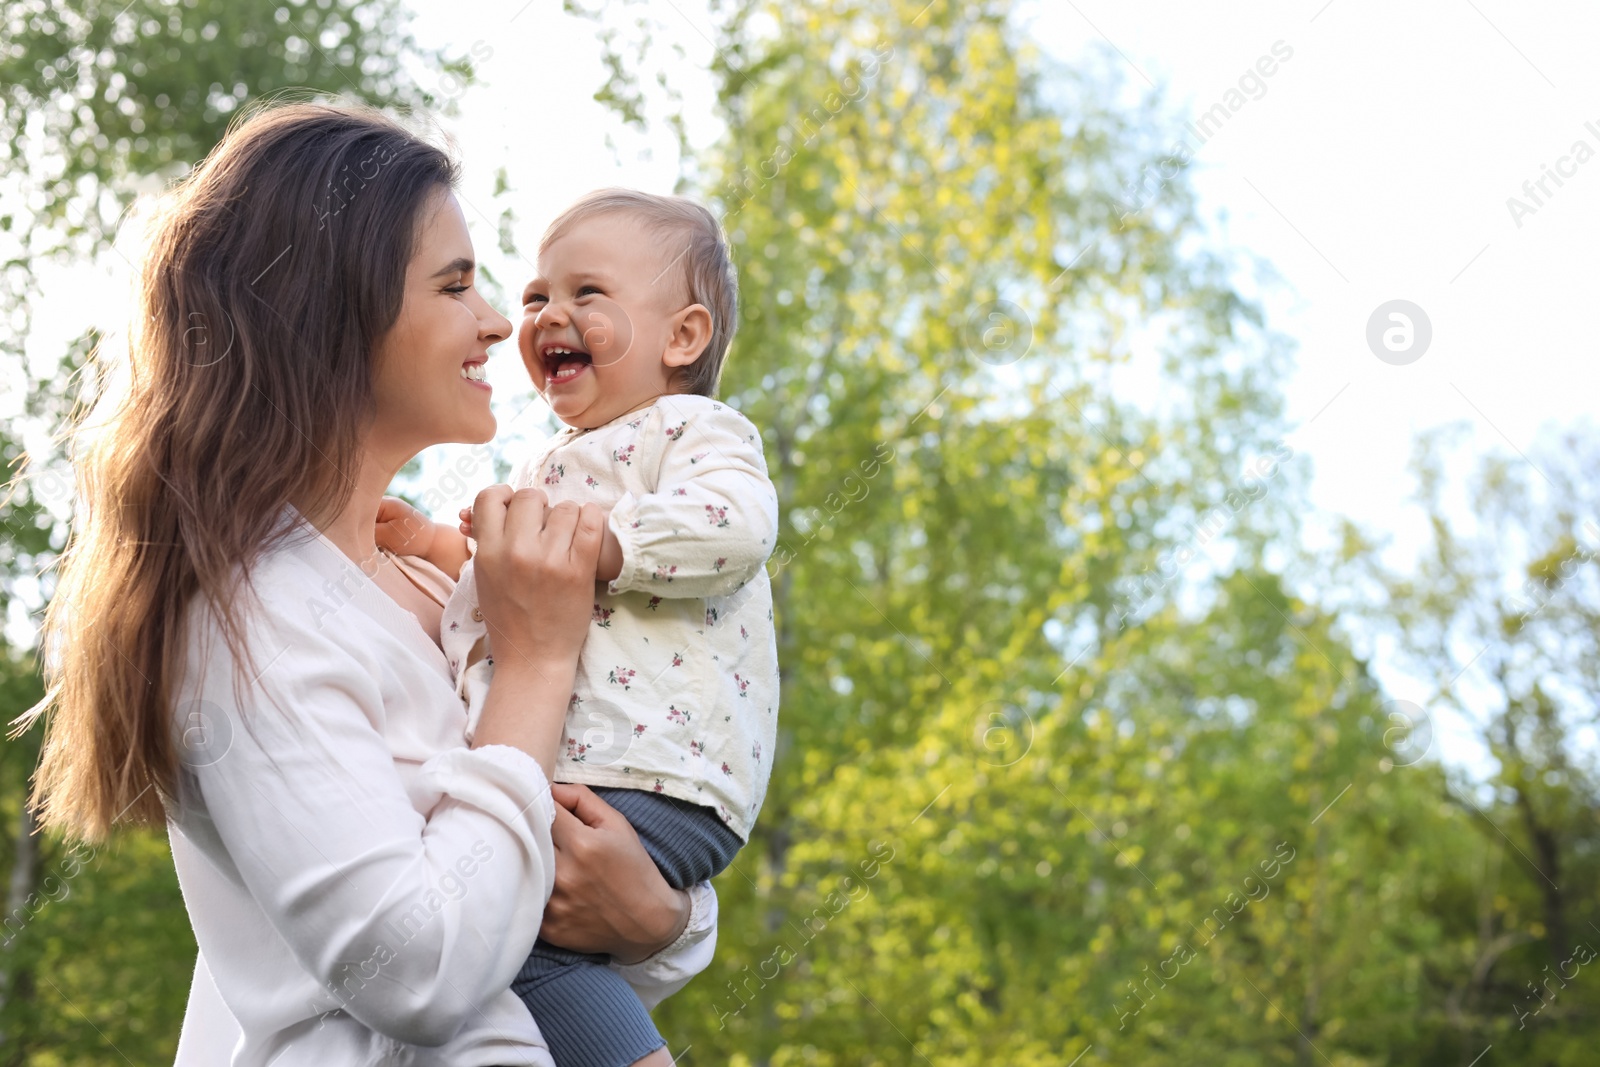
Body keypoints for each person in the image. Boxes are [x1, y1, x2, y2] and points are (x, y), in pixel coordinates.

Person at [18, 103, 716, 1067]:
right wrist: (538, 665)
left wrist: (663, 915)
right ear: (331, 313)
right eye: (455, 285)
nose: (495, 320)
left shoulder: (438, 585)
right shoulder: (246, 614)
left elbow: (531, 935)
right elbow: (419, 969)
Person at [376, 189, 779, 1067]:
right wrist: (439, 544)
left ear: (682, 337)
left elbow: (739, 522)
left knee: (508, 930)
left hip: (657, 767)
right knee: (505, 932)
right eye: (535, 297)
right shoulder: (549, 463)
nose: (548, 314)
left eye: (588, 293)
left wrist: (604, 540)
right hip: (606, 765)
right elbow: (513, 581)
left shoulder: (691, 429)